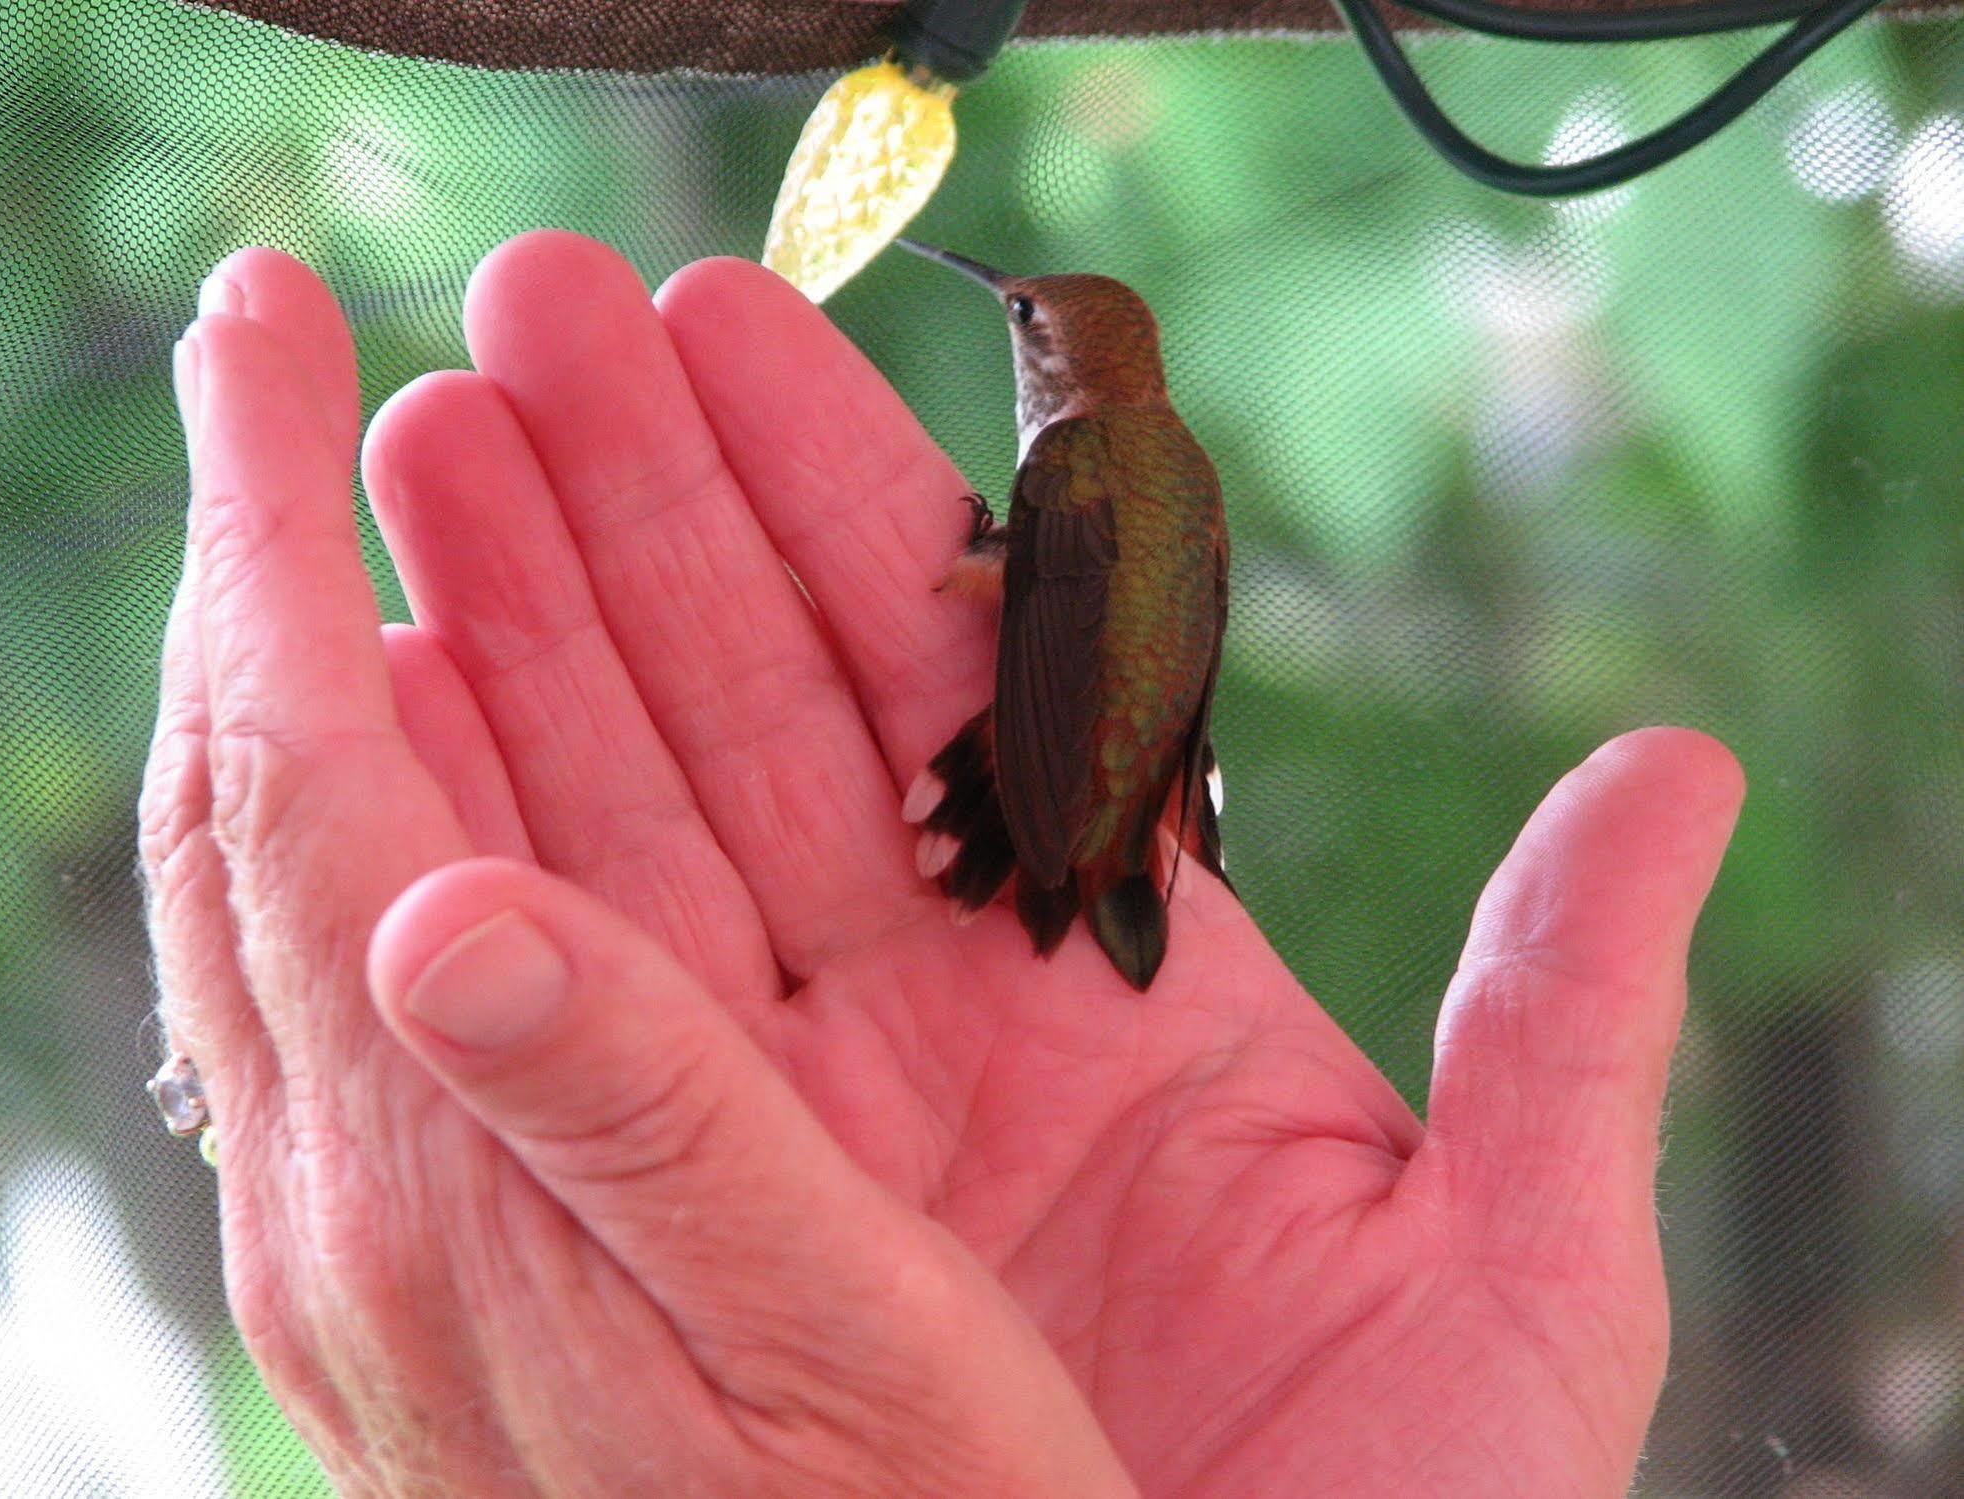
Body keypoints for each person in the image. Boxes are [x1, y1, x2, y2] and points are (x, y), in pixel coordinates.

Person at [141, 230, 1744, 1496]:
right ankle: (1096, 852)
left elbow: (1039, 613)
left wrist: (1041, 692)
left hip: (1085, 736)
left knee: (1050, 759)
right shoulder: (1168, 468)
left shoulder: (1076, 472)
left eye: (1022, 325)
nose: (1010, 328)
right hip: (1139, 728)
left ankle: (1077, 848)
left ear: (1062, 367)